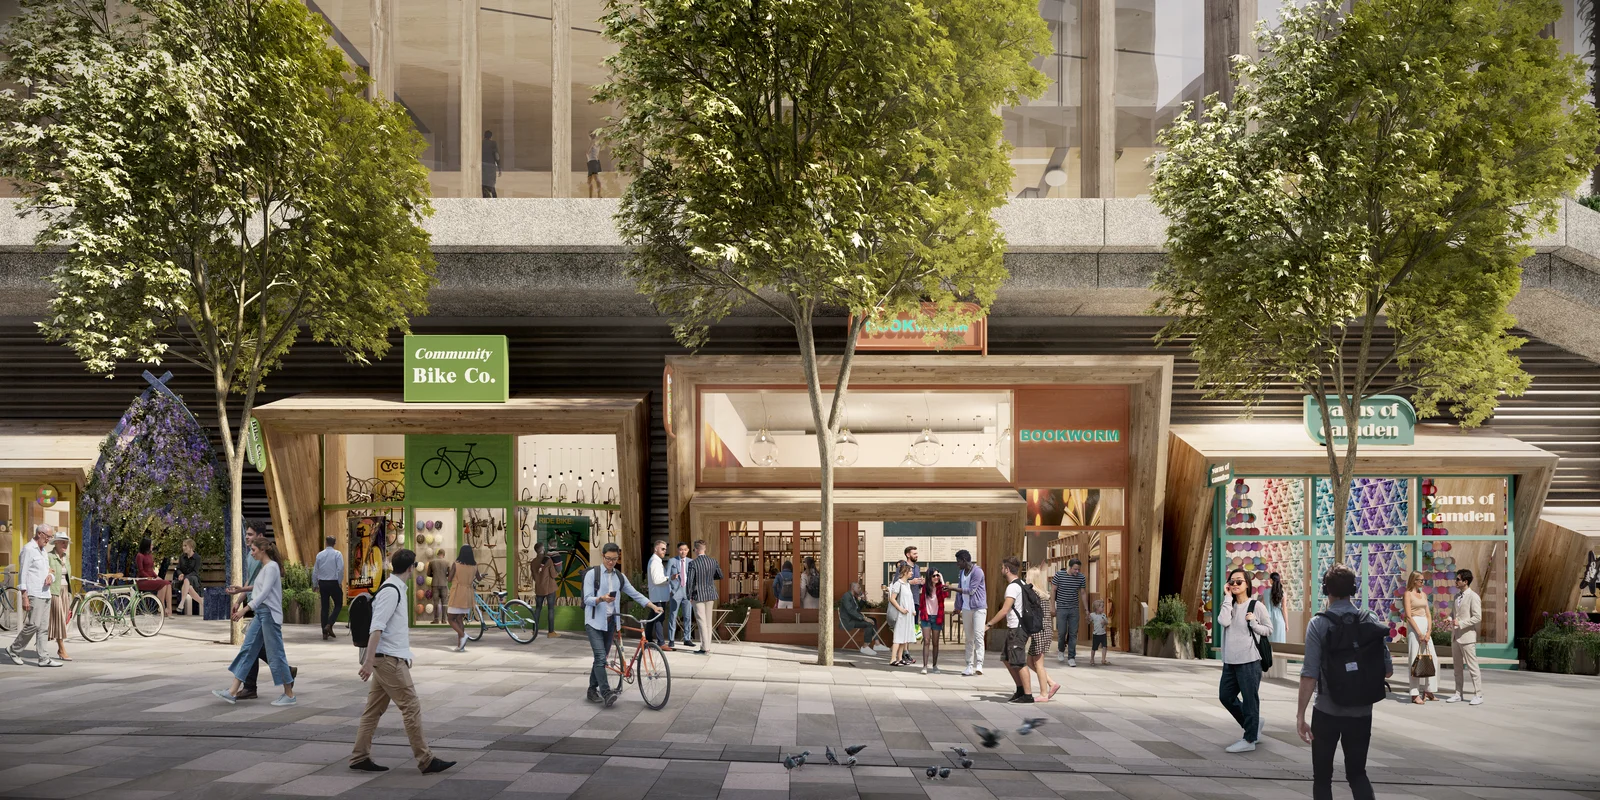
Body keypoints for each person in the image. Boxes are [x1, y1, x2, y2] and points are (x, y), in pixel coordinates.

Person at [350, 549, 455, 774]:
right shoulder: (391, 591)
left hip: (389, 657)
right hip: (388, 661)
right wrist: (368, 661)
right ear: (410, 568)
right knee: (411, 706)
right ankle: (425, 760)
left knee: (373, 710)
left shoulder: (395, 588)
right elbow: (376, 627)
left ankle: (359, 756)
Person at [1297, 564, 1393, 800]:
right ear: (1353, 589)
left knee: (1322, 778)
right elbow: (1387, 670)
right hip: (1361, 711)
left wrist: (1300, 715)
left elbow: (1310, 674)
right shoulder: (1369, 619)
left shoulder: (1318, 624)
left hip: (1326, 710)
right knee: (1357, 774)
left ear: (1325, 589)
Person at [214, 537, 295, 706]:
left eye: (253, 550)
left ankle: (289, 694)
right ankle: (232, 691)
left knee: (276, 654)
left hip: (269, 615)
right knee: (248, 649)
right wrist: (241, 589)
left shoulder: (271, 567)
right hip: (261, 614)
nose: (251, 553)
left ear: (263, 550)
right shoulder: (266, 567)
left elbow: (264, 593)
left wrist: (245, 609)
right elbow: (259, 588)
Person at [583, 542, 661, 703]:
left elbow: (634, 593)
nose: (611, 562)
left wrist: (652, 605)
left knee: (601, 657)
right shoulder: (593, 574)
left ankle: (591, 690)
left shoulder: (619, 576)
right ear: (602, 556)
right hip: (594, 622)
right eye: (608, 559)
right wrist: (601, 598)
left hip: (611, 622)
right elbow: (587, 599)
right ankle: (606, 693)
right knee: (600, 657)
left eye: (614, 559)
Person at [985, 557, 1056, 703]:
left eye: (1002, 567)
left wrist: (989, 624)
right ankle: (1020, 689)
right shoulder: (1023, 584)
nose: (1001, 570)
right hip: (1015, 627)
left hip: (1017, 628)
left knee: (1019, 662)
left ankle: (1027, 694)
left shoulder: (1013, 587)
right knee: (1006, 658)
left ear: (1007, 569)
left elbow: (1005, 610)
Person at [1218, 567, 1272, 753]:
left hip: (1249, 661)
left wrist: (1254, 623)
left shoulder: (1256, 606)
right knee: (1225, 696)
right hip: (1230, 661)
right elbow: (1223, 622)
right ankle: (1254, 724)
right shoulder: (1228, 605)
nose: (1234, 585)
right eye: (1231, 582)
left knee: (1250, 700)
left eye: (1238, 581)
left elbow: (1268, 629)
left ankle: (1249, 739)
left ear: (1247, 584)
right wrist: (1226, 598)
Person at [6, 525, 61, 667]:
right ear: (39, 534)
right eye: (47, 536)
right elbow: (23, 574)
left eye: (50, 537)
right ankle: (14, 649)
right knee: (33, 624)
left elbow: (50, 571)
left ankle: (44, 658)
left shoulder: (43, 552)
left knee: (43, 628)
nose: (49, 540)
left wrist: (50, 576)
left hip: (45, 593)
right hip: (34, 593)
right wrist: (24, 596)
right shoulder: (28, 550)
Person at [1443, 568, 1483, 705]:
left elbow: (1477, 617)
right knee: (1457, 668)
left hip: (1467, 637)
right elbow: (1454, 614)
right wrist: (1449, 618)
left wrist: (1460, 623)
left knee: (1473, 667)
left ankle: (1478, 695)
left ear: (1465, 581)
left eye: (1458, 579)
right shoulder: (1456, 597)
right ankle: (1458, 693)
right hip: (1455, 637)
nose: (1456, 581)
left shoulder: (1474, 597)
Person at [1404, 571, 1438, 704]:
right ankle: (1414, 693)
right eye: (1421, 580)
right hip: (1415, 627)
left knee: (1432, 658)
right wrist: (1418, 633)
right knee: (1414, 659)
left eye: (1424, 580)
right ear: (1414, 580)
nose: (1423, 582)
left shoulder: (1423, 594)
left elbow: (1428, 614)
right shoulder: (1408, 594)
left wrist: (1429, 631)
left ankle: (1429, 690)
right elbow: (1408, 615)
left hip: (1425, 624)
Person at [685, 540, 723, 655]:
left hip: (698, 594)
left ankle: (704, 648)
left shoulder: (693, 563)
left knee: (701, 621)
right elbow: (720, 575)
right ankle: (707, 646)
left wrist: (688, 595)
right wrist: (709, 578)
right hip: (710, 593)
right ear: (704, 549)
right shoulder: (713, 561)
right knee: (708, 622)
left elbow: (690, 581)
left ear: (696, 550)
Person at [954, 550, 987, 676]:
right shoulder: (962, 572)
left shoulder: (977, 571)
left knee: (979, 636)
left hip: (978, 607)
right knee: (969, 638)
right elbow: (960, 592)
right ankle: (969, 664)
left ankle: (979, 663)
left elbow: (971, 590)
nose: (957, 564)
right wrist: (958, 607)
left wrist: (952, 588)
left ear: (964, 560)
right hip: (966, 608)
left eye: (958, 562)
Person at [1051, 558, 1087, 666]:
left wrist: (1087, 609)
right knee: (1062, 632)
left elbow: (1083, 593)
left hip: (1074, 608)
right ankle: (1061, 649)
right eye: (1075, 569)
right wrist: (1052, 607)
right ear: (1070, 568)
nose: (1077, 572)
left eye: (1078, 570)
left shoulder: (1081, 577)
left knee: (1073, 633)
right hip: (1061, 608)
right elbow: (1053, 590)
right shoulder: (1059, 575)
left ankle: (1072, 657)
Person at [838, 582, 886, 656]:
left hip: (853, 619)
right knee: (869, 623)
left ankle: (877, 644)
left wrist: (863, 600)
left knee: (873, 620)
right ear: (853, 588)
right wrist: (864, 618)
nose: (860, 589)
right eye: (859, 588)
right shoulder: (846, 596)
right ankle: (865, 647)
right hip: (848, 621)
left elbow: (857, 609)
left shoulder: (854, 597)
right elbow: (850, 611)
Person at [917, 569, 949, 674]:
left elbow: (946, 594)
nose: (936, 577)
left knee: (935, 642)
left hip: (937, 617)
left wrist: (942, 579)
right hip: (926, 617)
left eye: (937, 575)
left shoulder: (940, 588)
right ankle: (925, 666)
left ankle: (935, 665)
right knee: (926, 641)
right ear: (929, 577)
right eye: (934, 575)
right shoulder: (925, 587)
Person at [447, 545, 478, 652]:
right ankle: (460, 646)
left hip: (457, 593)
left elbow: (450, 579)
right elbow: (478, 578)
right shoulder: (474, 566)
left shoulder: (456, 565)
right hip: (468, 594)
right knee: (459, 618)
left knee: (450, 618)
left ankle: (463, 635)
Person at [314, 536, 345, 640]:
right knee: (339, 603)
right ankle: (329, 624)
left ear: (326, 542)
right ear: (334, 543)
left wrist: (314, 584)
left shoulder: (320, 555)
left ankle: (324, 632)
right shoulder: (337, 554)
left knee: (325, 606)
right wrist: (339, 582)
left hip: (322, 583)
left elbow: (315, 570)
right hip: (333, 582)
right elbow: (340, 569)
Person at [47, 533, 72, 662]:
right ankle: (61, 648)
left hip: (65, 590)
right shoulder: (49, 557)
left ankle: (55, 646)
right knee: (59, 620)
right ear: (55, 543)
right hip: (54, 591)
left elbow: (68, 576)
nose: (65, 545)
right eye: (62, 542)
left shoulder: (66, 557)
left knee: (63, 619)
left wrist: (69, 593)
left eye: (66, 542)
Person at [666, 542, 695, 650]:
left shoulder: (691, 562)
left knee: (688, 616)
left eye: (685, 549)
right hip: (676, 591)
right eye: (681, 550)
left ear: (688, 551)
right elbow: (666, 577)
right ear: (678, 550)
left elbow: (694, 578)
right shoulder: (672, 561)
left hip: (687, 591)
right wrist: (670, 589)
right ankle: (671, 639)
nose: (683, 551)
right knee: (673, 616)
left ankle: (687, 639)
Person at [134, 536, 173, 616]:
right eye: (151, 545)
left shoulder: (150, 555)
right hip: (142, 580)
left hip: (150, 578)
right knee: (163, 584)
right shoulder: (139, 555)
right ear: (146, 545)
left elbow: (151, 570)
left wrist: (156, 577)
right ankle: (161, 607)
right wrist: (150, 578)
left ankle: (168, 609)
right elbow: (141, 571)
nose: (152, 546)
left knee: (168, 584)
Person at [887, 561, 915, 667]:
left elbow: (910, 599)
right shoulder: (898, 584)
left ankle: (900, 658)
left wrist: (912, 610)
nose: (912, 573)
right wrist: (901, 609)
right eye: (910, 571)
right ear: (905, 572)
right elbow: (892, 599)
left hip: (908, 615)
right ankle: (893, 659)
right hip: (901, 615)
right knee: (898, 637)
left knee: (904, 637)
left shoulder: (907, 584)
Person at [531, 542, 561, 639]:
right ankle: (551, 632)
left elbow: (534, 577)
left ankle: (534, 630)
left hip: (539, 588)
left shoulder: (533, 562)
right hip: (549, 588)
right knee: (551, 609)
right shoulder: (548, 561)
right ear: (543, 550)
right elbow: (553, 575)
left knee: (538, 609)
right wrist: (558, 571)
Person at [646, 539, 671, 645]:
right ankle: (661, 643)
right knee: (659, 619)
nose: (664, 551)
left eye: (665, 549)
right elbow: (656, 580)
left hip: (658, 596)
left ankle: (648, 639)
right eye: (662, 549)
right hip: (658, 596)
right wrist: (669, 578)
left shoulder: (656, 560)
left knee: (652, 617)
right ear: (656, 549)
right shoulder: (655, 562)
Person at [174, 538, 204, 616]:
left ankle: (182, 602)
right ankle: (203, 603)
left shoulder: (197, 558)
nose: (183, 547)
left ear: (191, 547)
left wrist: (186, 577)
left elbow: (195, 571)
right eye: (183, 546)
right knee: (189, 587)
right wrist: (180, 574)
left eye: (185, 546)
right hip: (184, 581)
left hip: (194, 578)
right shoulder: (182, 557)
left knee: (187, 580)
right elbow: (178, 568)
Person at [426, 548, 452, 625]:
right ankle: (444, 619)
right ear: (443, 555)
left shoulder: (432, 562)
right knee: (444, 603)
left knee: (436, 603)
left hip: (435, 585)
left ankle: (436, 619)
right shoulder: (447, 562)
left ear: (437, 554)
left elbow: (428, 574)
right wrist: (445, 575)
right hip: (444, 584)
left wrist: (434, 575)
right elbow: (450, 574)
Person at [1267, 572, 1288, 644]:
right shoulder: (1282, 593)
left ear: (1271, 580)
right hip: (1279, 619)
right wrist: (1286, 624)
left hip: (1267, 619)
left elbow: (1262, 606)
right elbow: (1284, 610)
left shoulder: (1266, 592)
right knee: (1280, 641)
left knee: (1269, 642)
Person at [1088, 599, 1110, 666]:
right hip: (1096, 634)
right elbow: (1089, 621)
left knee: (1104, 646)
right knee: (1094, 648)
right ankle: (1092, 659)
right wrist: (1088, 618)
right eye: (1102, 607)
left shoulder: (1103, 615)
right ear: (1097, 608)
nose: (1103, 608)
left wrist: (1105, 622)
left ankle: (1103, 659)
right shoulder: (1092, 615)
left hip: (1103, 633)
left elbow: (1107, 622)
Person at [482, 130, 500, 198]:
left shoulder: (481, 143)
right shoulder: (493, 143)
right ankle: (494, 198)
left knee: (483, 184)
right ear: (491, 137)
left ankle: (486, 199)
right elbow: (496, 155)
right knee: (492, 184)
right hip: (491, 166)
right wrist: (499, 166)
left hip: (482, 165)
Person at [586, 130, 602, 198]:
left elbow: (587, 152)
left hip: (592, 162)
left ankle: (598, 195)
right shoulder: (598, 144)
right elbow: (598, 155)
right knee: (589, 180)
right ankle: (591, 196)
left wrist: (587, 156)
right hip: (595, 161)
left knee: (595, 179)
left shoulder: (592, 142)